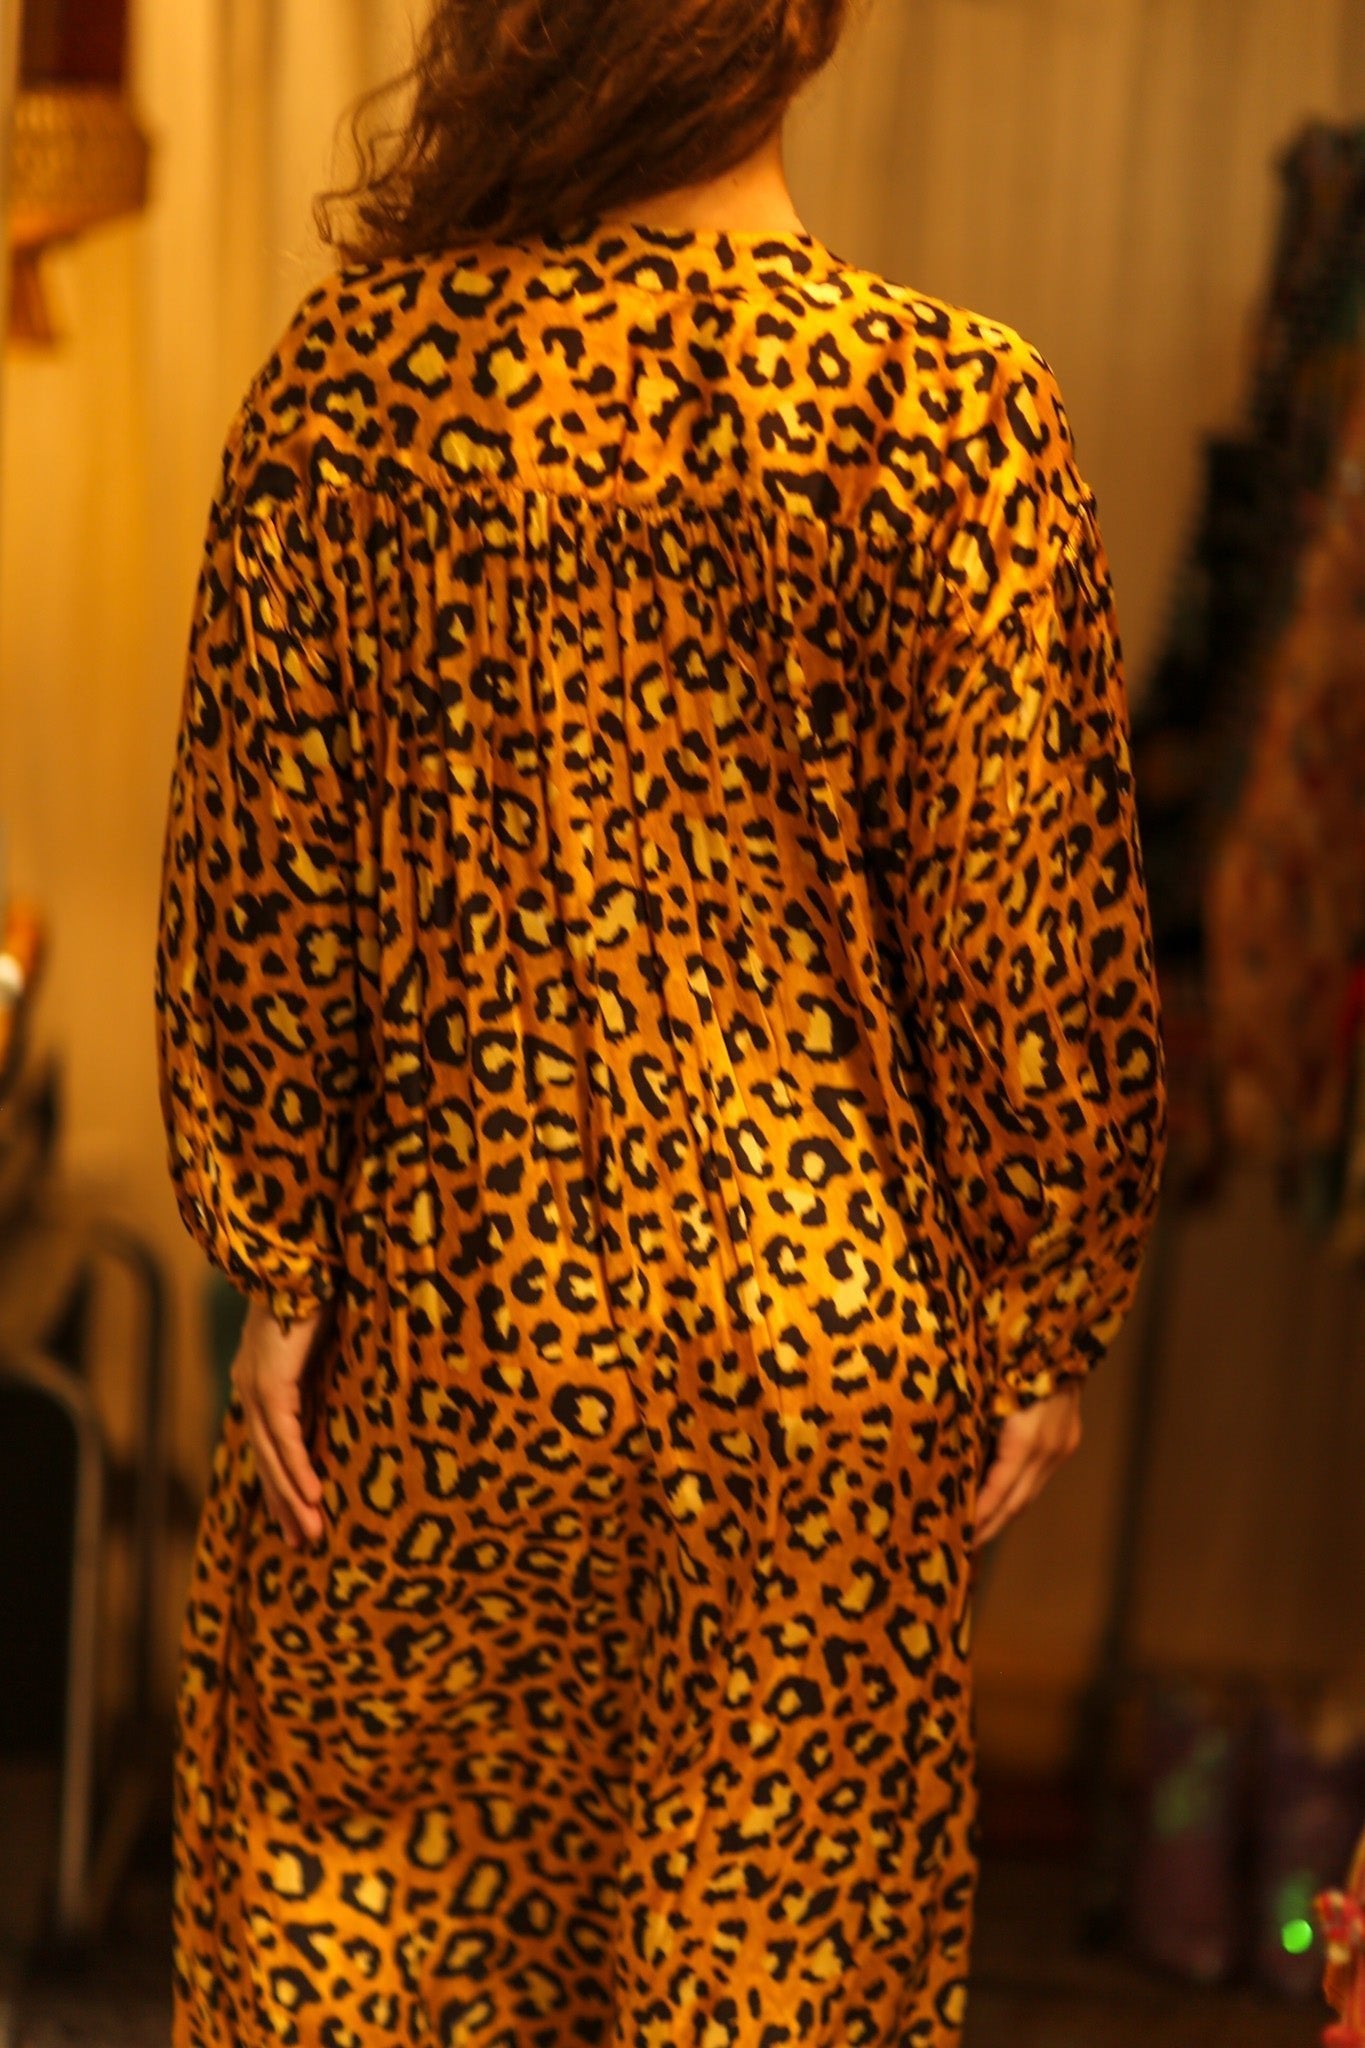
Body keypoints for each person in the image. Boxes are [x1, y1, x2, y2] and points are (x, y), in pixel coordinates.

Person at [155, 4, 1167, 2043]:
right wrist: (1042, 1300)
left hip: (451, 1330)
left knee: (384, 1958)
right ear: (798, 30)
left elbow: (261, 881)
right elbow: (1031, 911)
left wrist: (278, 1256)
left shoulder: (355, 390)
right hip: (816, 1361)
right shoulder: (949, 412)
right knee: (774, 1983)